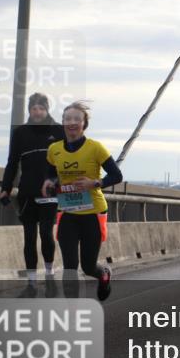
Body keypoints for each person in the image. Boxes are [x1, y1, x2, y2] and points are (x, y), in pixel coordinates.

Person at [41, 102, 123, 300]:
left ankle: (103, 274)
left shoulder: (95, 148)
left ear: (84, 124)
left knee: (88, 266)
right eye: (68, 119)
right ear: (63, 122)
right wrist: (49, 182)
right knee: (70, 267)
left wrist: (94, 183)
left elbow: (116, 175)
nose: (72, 122)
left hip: (93, 213)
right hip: (68, 213)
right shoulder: (54, 149)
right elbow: (51, 173)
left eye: (77, 119)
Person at [0, 92, 62, 291]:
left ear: (47, 110)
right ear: (29, 111)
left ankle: (50, 274)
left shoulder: (58, 130)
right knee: (29, 238)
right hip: (27, 192)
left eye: (41, 108)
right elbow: (12, 162)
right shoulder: (20, 133)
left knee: (46, 233)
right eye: (34, 108)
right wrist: (5, 188)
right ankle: (31, 282)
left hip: (49, 192)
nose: (37, 112)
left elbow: (68, 159)